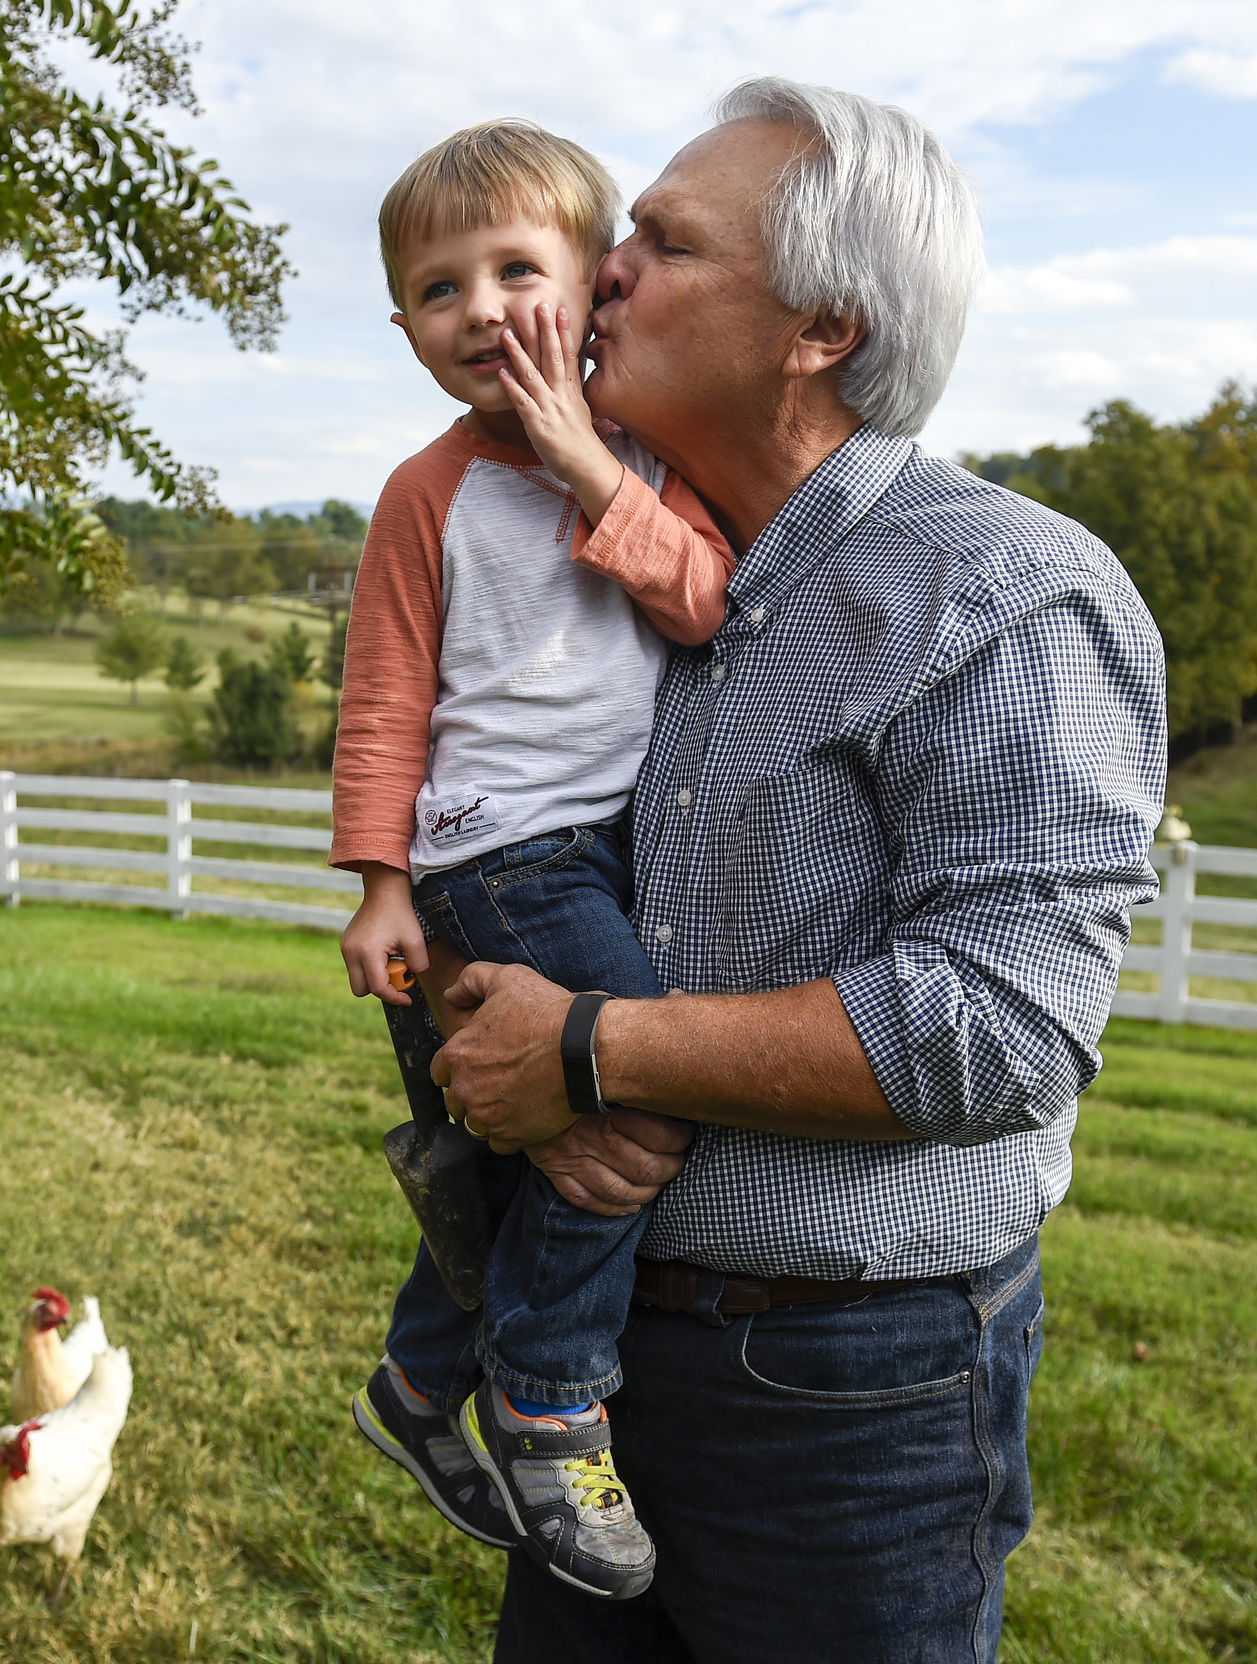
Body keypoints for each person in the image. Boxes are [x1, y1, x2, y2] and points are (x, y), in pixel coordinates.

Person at [421, 80, 1169, 1661]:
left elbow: (1007, 1026)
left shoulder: (1004, 592)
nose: (600, 265)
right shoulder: (629, 575)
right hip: (600, 1362)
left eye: (663, 240)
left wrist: (588, 1049)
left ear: (821, 325)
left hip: (853, 1393)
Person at [330, 119, 736, 1602]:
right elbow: (385, 698)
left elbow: (703, 601)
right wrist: (379, 884)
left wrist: (578, 457)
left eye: (516, 269)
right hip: (497, 862)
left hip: (589, 857)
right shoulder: (422, 496)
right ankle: (553, 1400)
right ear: (405, 331)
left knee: (516, 1166)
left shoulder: (644, 462)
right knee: (644, 1086)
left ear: (593, 286)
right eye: (441, 291)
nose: (482, 309)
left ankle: (421, 1380)